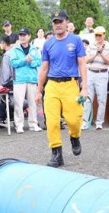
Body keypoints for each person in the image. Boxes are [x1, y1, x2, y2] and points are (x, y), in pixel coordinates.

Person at [35, 10, 87, 168]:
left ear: (66, 22)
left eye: (60, 21)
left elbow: (82, 64)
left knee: (73, 119)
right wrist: (39, 90)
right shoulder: (48, 44)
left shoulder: (76, 40)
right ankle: (56, 154)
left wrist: (84, 87)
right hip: (52, 85)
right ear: (52, 24)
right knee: (51, 122)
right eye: (55, 22)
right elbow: (44, 68)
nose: (58, 24)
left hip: (70, 84)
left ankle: (75, 136)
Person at [10, 27, 43, 133]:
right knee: (18, 103)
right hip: (19, 79)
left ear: (29, 36)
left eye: (24, 35)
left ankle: (33, 124)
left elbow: (38, 62)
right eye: (20, 35)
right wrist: (24, 60)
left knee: (33, 103)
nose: (22, 37)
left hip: (32, 79)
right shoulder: (14, 49)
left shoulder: (34, 49)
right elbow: (13, 63)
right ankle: (19, 125)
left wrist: (31, 62)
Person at [83, 26, 109, 130]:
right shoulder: (91, 46)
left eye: (100, 35)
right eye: (96, 35)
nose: (98, 37)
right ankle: (85, 122)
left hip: (102, 74)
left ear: (104, 35)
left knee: (102, 99)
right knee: (87, 99)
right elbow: (86, 60)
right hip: (90, 72)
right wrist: (96, 53)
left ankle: (99, 122)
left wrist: (101, 53)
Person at [0, 35, 14, 124]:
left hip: (8, 82)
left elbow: (6, 72)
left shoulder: (7, 55)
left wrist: (2, 83)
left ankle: (2, 118)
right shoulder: (13, 52)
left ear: (3, 43)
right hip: (15, 80)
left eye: (0, 43)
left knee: (4, 100)